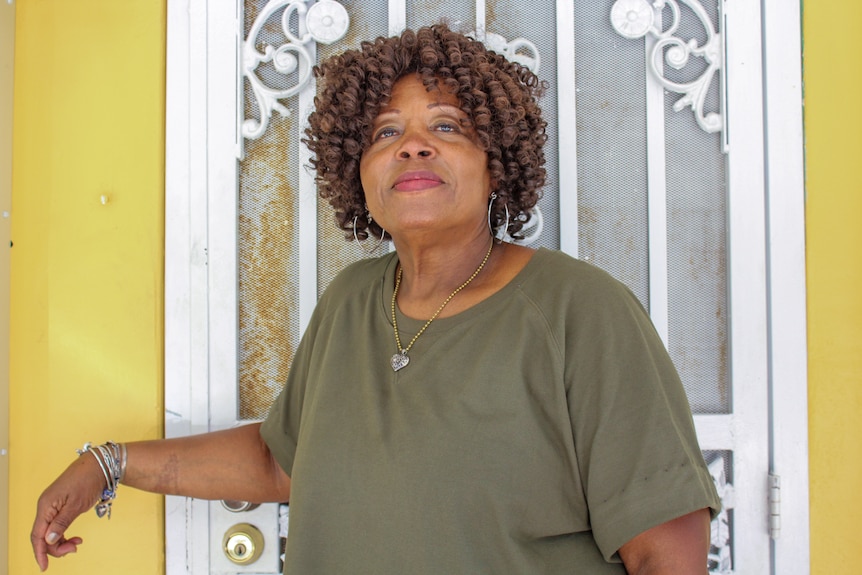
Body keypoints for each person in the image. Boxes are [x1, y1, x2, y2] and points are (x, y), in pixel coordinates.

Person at [32, 24, 720, 574]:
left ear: (498, 160)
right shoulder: (351, 302)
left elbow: (667, 553)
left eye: (447, 126)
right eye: (386, 132)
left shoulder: (581, 312)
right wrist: (109, 463)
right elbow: (282, 461)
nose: (413, 147)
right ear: (353, 170)